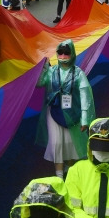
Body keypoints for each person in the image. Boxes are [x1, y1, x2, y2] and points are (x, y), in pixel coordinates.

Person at [36, 40, 95, 179]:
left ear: (72, 54)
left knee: (70, 144)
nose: (63, 56)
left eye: (66, 53)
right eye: (60, 52)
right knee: (56, 143)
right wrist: (44, 68)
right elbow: (39, 83)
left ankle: (69, 167)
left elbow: (85, 96)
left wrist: (85, 119)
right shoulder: (51, 71)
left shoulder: (79, 74)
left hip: (71, 114)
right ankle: (59, 176)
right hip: (54, 112)